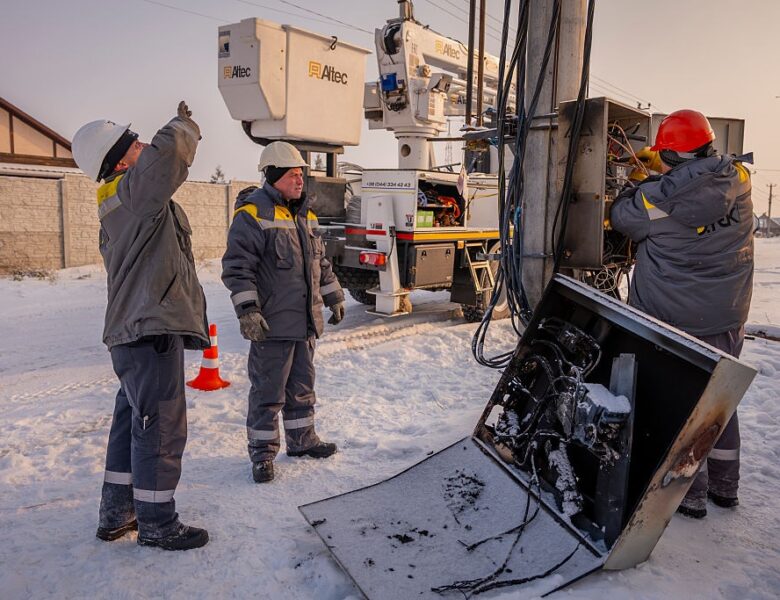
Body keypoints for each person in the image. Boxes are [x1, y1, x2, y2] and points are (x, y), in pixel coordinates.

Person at [71, 101, 210, 549]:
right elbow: (168, 155)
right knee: (162, 426)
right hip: (149, 330)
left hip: (134, 332)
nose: (144, 144)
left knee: (135, 421)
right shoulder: (133, 193)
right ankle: (157, 522)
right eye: (134, 142)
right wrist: (183, 124)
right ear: (119, 159)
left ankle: (117, 513)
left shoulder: (121, 199)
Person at [610, 109, 754, 519]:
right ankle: (726, 489)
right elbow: (698, 188)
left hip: (673, 318)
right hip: (728, 314)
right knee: (719, 397)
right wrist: (671, 174)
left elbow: (624, 216)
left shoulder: (654, 199)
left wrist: (639, 180)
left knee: (680, 399)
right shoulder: (739, 180)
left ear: (670, 155)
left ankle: (688, 494)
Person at [222, 142, 345, 483]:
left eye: (301, 174)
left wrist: (333, 296)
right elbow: (237, 267)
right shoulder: (252, 213)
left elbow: (320, 261)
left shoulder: (306, 214)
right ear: (274, 176)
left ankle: (302, 441)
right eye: (292, 175)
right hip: (272, 326)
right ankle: (262, 455)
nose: (300, 180)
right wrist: (248, 310)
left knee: (302, 388)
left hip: (304, 323)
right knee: (267, 393)